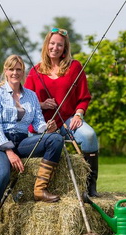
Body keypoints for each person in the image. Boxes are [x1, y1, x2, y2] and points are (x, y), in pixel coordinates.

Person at [0, 55, 64, 235]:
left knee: (55, 140)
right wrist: (8, 151)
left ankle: (39, 189)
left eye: (18, 69)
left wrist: (47, 128)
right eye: (11, 69)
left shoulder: (31, 96)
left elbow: (38, 123)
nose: (15, 73)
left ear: (23, 72)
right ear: (5, 71)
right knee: (2, 174)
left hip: (21, 140)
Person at [24, 27, 100, 197]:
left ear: (65, 48)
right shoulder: (35, 71)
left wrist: (79, 114)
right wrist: (42, 105)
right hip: (41, 124)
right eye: (52, 43)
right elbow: (26, 102)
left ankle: (89, 186)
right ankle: (39, 188)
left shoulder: (75, 67)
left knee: (89, 136)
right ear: (46, 45)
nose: (55, 48)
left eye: (60, 45)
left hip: (67, 120)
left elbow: (84, 97)